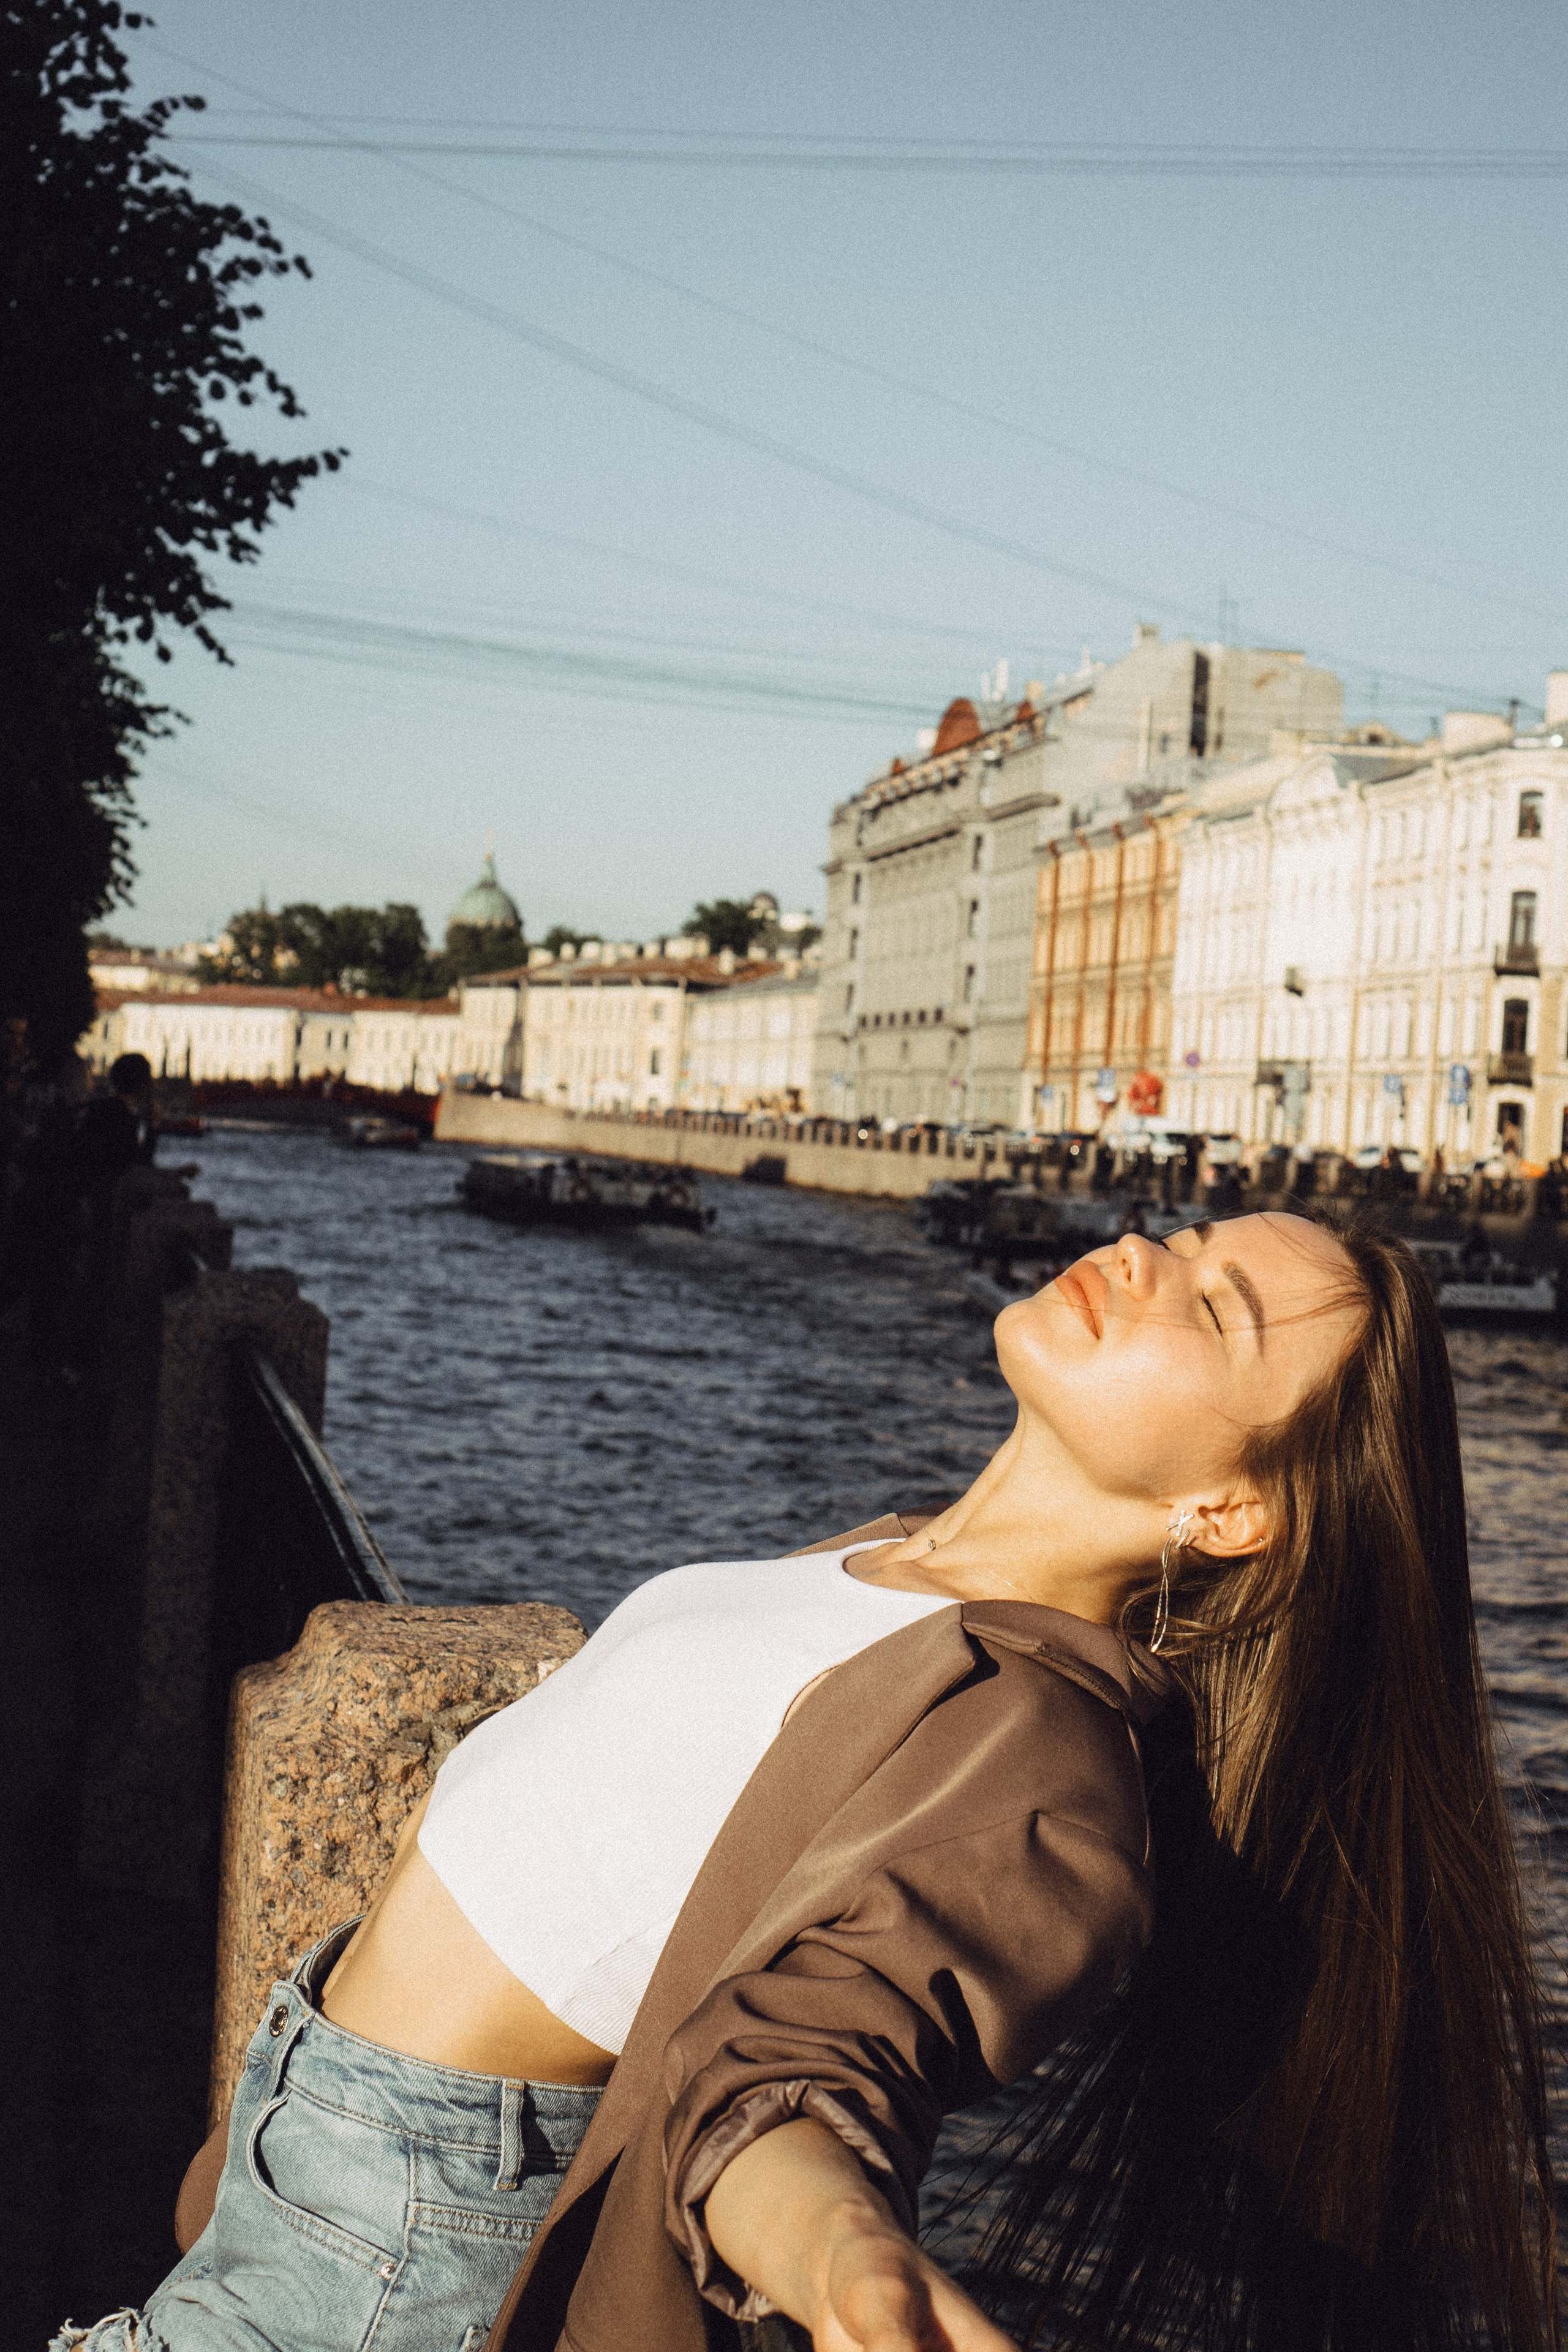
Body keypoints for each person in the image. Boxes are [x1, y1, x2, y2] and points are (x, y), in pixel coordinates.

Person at [56, 1214, 1556, 2352]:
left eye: (1214, 1308)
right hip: (304, 2166)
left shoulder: (1040, 1756)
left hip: (396, 2261)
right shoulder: (887, 1562)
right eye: (1185, 1234)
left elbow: (811, 2060)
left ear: (1227, 1510)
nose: (1144, 1254)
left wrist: (845, 2253)